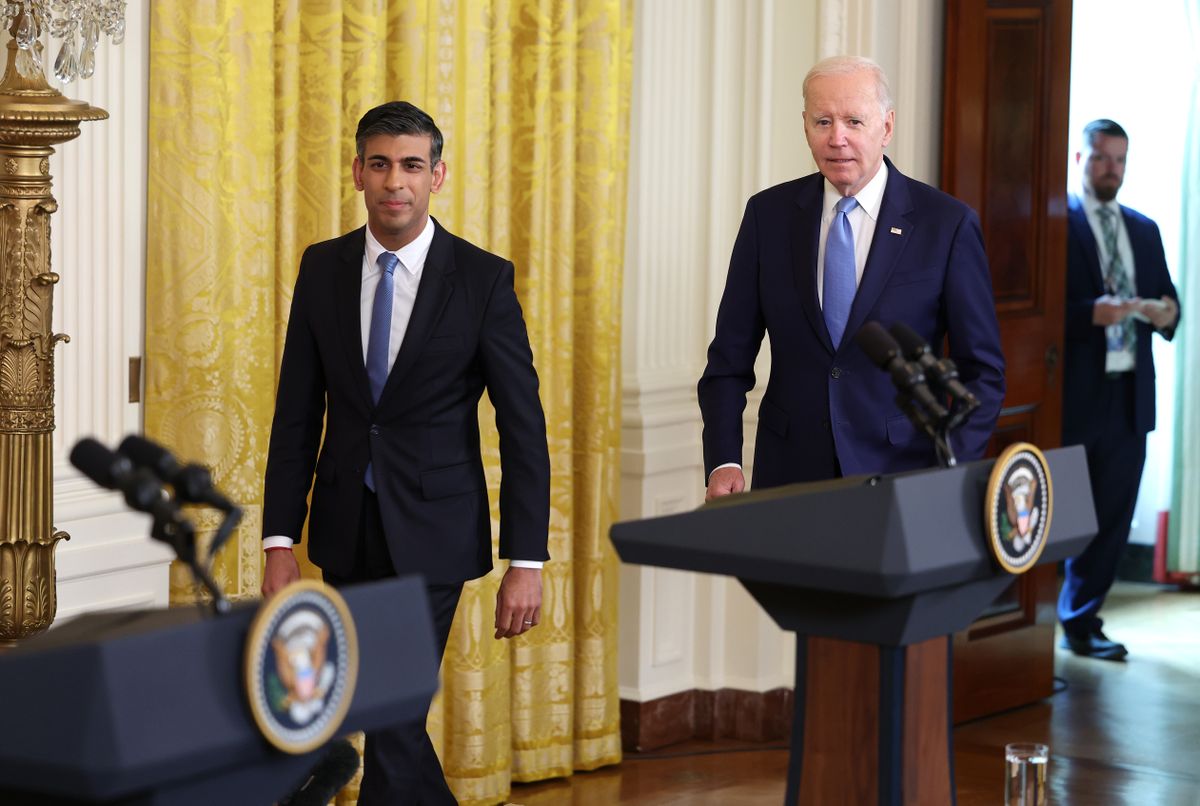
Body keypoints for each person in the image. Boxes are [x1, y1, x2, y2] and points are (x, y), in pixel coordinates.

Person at [260, 101, 551, 803]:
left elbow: (523, 427)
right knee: (377, 709)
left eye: (413, 166)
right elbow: (297, 414)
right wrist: (278, 540)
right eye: (382, 164)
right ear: (357, 172)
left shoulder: (482, 280)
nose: (397, 182)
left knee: (389, 715)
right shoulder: (324, 268)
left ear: (437, 176)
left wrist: (528, 560)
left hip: (436, 533)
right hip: (345, 531)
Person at [698, 55, 1005, 499]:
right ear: (805, 126)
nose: (837, 138)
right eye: (823, 121)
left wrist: (949, 470)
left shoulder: (946, 225)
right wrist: (724, 459)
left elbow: (984, 373)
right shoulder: (769, 216)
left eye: (854, 121)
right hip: (789, 479)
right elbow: (728, 358)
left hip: (903, 479)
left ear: (887, 126)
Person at [1059, 119, 1180, 661]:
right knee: (1059, 514)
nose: (1112, 169)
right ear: (1081, 158)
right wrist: (1090, 315)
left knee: (1111, 514)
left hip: (1130, 395)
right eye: (1102, 157)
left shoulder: (1145, 228)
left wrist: (1166, 312)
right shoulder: (1055, 222)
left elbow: (1169, 302)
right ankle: (1033, 631)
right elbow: (1033, 314)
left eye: (1121, 160)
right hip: (1073, 393)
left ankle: (1083, 623)